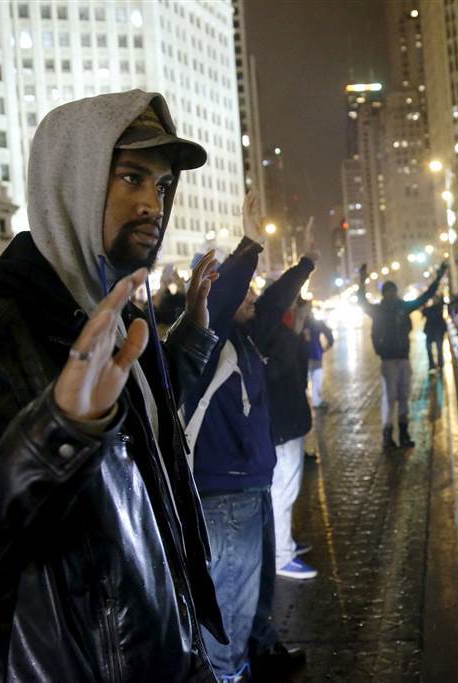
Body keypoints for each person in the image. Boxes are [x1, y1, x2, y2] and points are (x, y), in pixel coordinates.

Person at [0, 90, 256, 681]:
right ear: (73, 180)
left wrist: (190, 339)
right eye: (131, 177)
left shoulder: (117, 318)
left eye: (163, 186)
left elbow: (143, 448)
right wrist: (55, 429)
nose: (153, 204)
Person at [183, 189, 315, 682]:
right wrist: (251, 243)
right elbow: (221, 298)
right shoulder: (203, 332)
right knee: (231, 597)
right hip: (224, 491)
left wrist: (306, 264)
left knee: (255, 589)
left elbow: (276, 300)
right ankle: (228, 673)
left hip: (249, 483)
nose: (252, 298)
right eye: (243, 292)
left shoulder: (243, 334)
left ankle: (260, 652)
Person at [358, 261, 448, 451]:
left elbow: (425, 297)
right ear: (385, 294)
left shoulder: (402, 307)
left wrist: (438, 277)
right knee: (390, 400)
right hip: (389, 360)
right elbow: (362, 301)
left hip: (403, 359)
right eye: (389, 292)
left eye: (393, 292)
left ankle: (404, 434)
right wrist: (361, 280)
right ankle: (388, 437)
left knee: (404, 398)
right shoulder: (379, 310)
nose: (391, 295)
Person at [266, 298, 317, 581]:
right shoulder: (271, 335)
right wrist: (295, 330)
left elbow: (298, 374)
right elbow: (276, 372)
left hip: (289, 423)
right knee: (283, 489)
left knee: (287, 488)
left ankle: (283, 543)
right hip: (282, 425)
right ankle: (281, 556)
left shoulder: (284, 335)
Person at [304, 308, 334, 408]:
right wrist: (325, 347)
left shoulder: (299, 323)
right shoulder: (317, 323)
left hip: (303, 357)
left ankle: (306, 402)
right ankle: (317, 401)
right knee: (317, 381)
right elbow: (329, 335)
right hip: (316, 355)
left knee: (304, 381)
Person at [422, 295, 447, 371]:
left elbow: (426, 313)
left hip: (437, 330)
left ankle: (438, 364)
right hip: (432, 331)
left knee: (438, 348)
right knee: (431, 348)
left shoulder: (438, 307)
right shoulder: (433, 308)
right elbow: (424, 312)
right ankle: (434, 364)